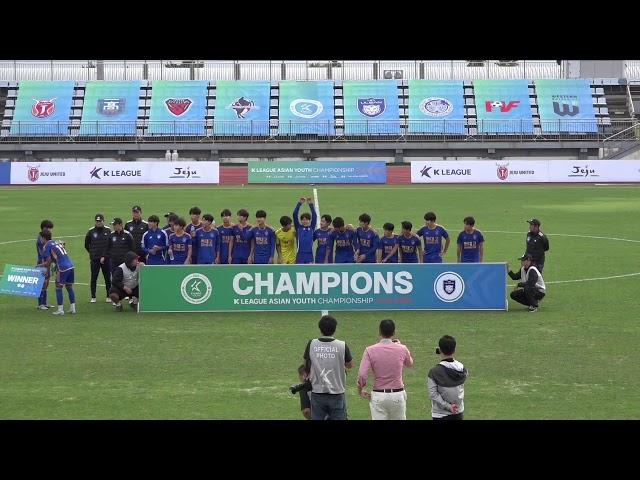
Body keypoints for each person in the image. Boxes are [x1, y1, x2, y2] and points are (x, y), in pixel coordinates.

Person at [357, 319, 414, 420]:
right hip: (397, 395)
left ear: (379, 332)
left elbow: (362, 374)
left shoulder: (370, 350)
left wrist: (360, 390)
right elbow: (409, 363)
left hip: (379, 396)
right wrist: (400, 345)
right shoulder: (402, 348)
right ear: (394, 332)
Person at [303, 315, 354, 420]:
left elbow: (305, 364)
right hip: (337, 392)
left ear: (320, 328)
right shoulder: (342, 345)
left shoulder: (311, 344)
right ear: (335, 329)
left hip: (317, 392)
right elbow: (350, 365)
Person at [427, 335, 468, 420]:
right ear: (455, 350)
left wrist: (448, 406)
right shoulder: (462, 369)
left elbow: (433, 395)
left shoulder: (434, 372)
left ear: (440, 350)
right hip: (458, 412)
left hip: (440, 414)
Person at [42, 234, 76, 316]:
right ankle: (73, 308)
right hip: (71, 265)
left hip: (63, 267)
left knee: (58, 287)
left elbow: (49, 260)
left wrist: (44, 268)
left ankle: (60, 310)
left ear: (43, 238)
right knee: (69, 286)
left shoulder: (47, 246)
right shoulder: (56, 242)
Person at [84, 213, 112, 303]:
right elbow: (86, 244)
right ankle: (93, 296)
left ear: (103, 221)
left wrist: (105, 255)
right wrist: (92, 253)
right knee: (94, 277)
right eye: (97, 221)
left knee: (107, 278)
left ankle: (108, 296)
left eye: (100, 221)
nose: (98, 223)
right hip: (95, 259)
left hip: (106, 259)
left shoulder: (108, 230)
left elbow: (110, 245)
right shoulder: (91, 231)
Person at [36, 219, 54, 310]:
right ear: (44, 228)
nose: (51, 230)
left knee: (46, 283)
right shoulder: (41, 239)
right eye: (49, 228)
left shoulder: (45, 237)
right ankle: (40, 304)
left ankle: (45, 302)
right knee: (42, 283)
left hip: (47, 263)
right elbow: (44, 253)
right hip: (42, 263)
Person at [293, 197, 317, 264]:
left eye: (306, 219)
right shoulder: (298, 227)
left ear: (309, 220)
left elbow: (314, 216)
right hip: (300, 255)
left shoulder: (312, 228)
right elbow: (295, 214)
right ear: (301, 220)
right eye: (303, 219)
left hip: (310, 255)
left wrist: (311, 205)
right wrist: (299, 203)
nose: (305, 221)